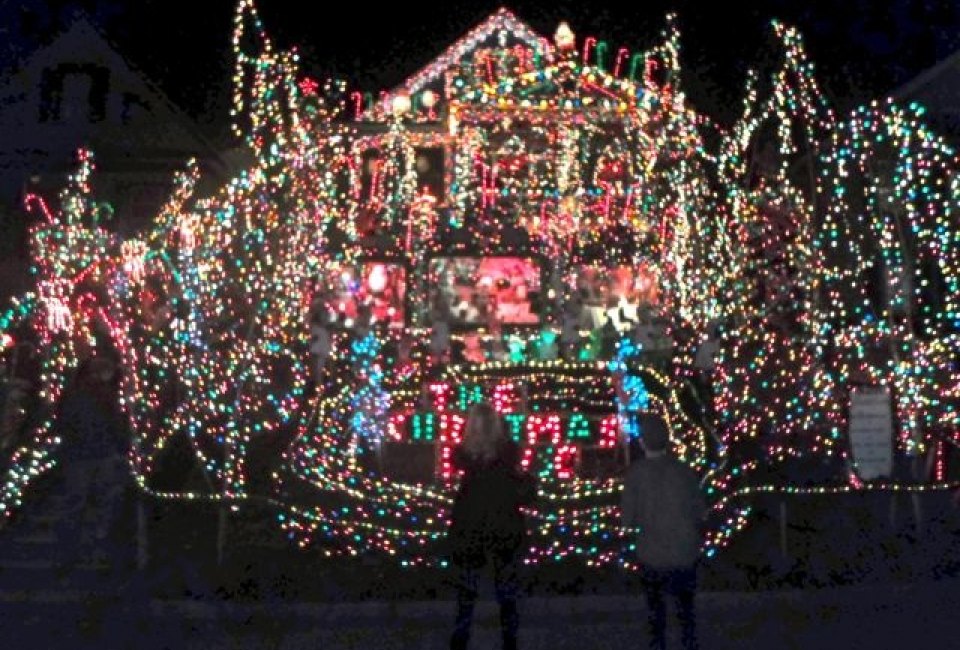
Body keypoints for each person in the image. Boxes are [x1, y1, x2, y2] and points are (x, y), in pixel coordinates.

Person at [448, 402, 535, 650]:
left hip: (471, 527)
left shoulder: (463, 455)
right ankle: (509, 640)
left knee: (467, 591)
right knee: (506, 591)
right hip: (504, 525)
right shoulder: (509, 453)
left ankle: (460, 638)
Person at [621, 414, 706, 650]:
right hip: (685, 551)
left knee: (656, 611)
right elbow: (700, 510)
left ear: (642, 442)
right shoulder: (684, 471)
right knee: (686, 611)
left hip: (653, 553)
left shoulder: (636, 474)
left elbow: (627, 519)